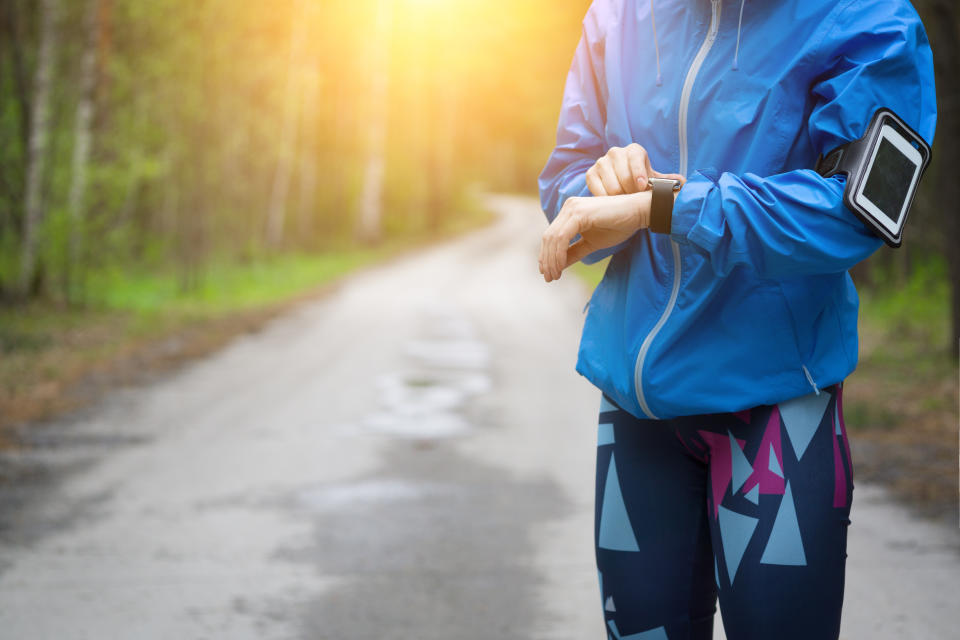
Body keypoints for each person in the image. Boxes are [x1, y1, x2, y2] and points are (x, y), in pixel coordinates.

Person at [537, 1, 936, 639]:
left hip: (775, 410)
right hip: (638, 411)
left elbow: (857, 213)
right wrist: (600, 189)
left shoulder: (868, 17)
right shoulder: (616, 16)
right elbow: (565, 190)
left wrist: (663, 206)